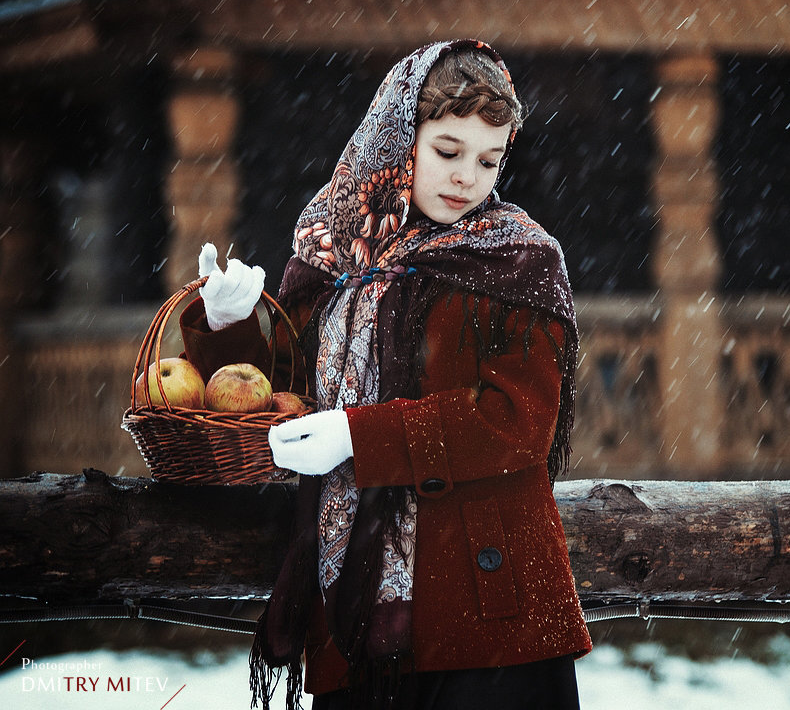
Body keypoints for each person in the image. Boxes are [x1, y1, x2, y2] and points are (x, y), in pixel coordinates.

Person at [182, 40, 591, 710]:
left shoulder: (518, 260)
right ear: (400, 140)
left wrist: (361, 437)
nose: (468, 177)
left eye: (490, 160)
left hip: (492, 617)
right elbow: (278, 401)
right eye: (448, 151)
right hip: (357, 609)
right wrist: (226, 323)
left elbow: (519, 424)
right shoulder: (330, 257)